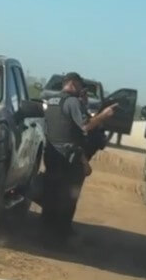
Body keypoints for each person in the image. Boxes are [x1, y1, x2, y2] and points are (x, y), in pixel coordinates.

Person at [41, 72, 116, 236]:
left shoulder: (53, 101)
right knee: (68, 198)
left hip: (52, 154)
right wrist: (104, 115)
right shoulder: (72, 102)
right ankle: (61, 235)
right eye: (81, 87)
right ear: (74, 85)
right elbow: (85, 126)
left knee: (52, 194)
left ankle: (45, 231)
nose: (82, 91)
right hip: (69, 159)